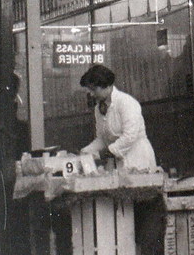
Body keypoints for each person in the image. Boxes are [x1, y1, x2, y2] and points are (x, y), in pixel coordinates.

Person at [79, 64, 163, 255]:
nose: (91, 93)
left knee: (145, 215)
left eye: (93, 89)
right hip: (119, 164)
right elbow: (102, 138)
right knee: (126, 217)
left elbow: (130, 136)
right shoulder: (99, 109)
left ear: (107, 85)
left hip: (138, 159)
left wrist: (106, 153)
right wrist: (86, 151)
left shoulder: (127, 103)